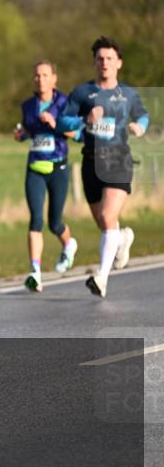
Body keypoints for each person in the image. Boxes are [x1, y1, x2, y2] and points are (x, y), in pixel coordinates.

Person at [57, 36, 149, 298]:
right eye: (100, 59)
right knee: (103, 223)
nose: (105, 62)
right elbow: (62, 122)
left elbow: (143, 114)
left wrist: (139, 126)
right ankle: (122, 238)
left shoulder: (128, 94)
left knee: (109, 217)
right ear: (95, 63)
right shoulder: (82, 93)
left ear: (118, 63)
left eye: (110, 58)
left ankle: (102, 277)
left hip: (119, 159)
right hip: (91, 162)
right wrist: (84, 119)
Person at [13, 61, 79, 292]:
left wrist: (55, 123)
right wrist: (21, 135)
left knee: (54, 222)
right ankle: (35, 272)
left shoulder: (64, 103)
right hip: (35, 169)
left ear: (54, 79)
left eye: (45, 75)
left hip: (58, 168)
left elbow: (74, 132)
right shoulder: (28, 105)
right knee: (36, 220)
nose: (40, 79)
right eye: (37, 76)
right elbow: (29, 131)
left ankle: (69, 244)